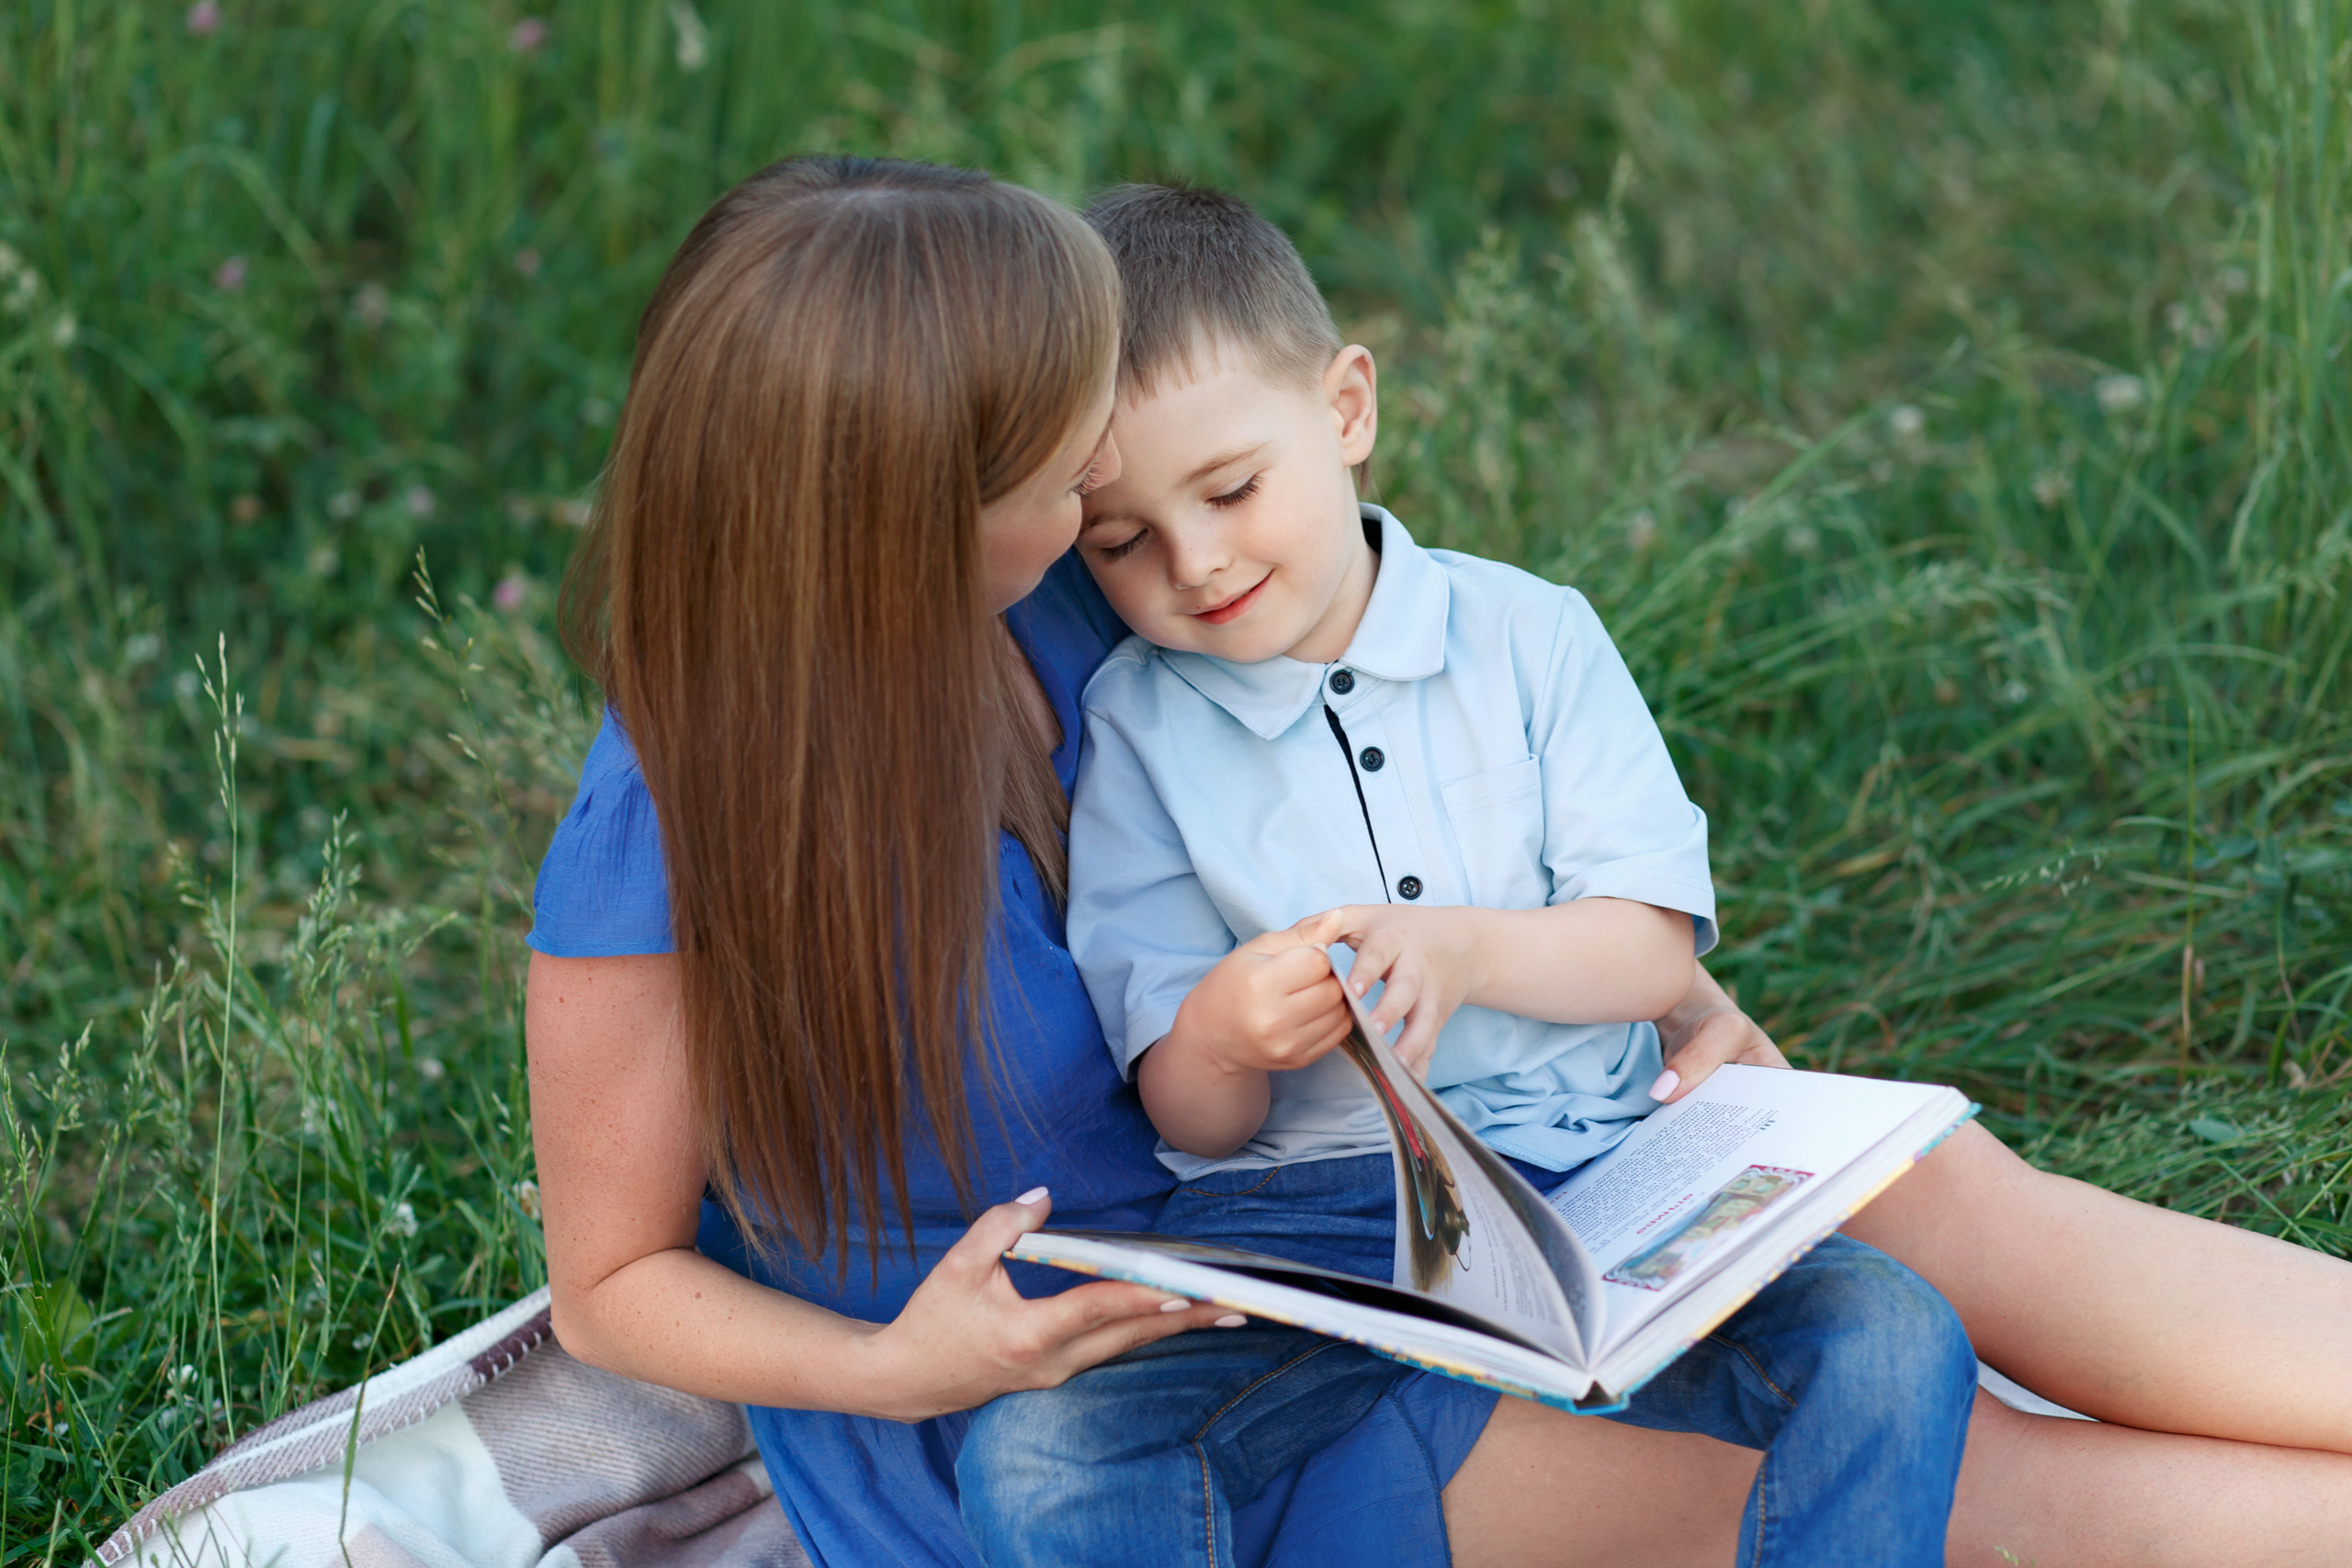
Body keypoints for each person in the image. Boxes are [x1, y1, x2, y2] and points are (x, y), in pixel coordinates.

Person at [526, 152, 2352, 1568]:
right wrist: (894, 1367)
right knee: (1986, 1492)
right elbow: (609, 1278)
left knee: (1939, 1194)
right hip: (1079, 1385)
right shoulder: (672, 815)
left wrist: (1686, 1003)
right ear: (921, 495)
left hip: (1383, 1209)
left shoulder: (1063, 603)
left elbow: (1366, 742)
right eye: (1063, 444)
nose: (1110, 455)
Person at [949, 183, 1976, 1568]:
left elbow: (1653, 950)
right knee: (1045, 1450)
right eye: (1121, 543)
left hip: (1603, 1180)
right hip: (1314, 1232)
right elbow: (1182, 1105)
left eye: (1234, 490)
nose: (1193, 564)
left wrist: (1469, 955)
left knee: (1894, 1334)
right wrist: (1221, 1031)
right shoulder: (1135, 727)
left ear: (1346, 410)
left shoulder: (1529, 637)